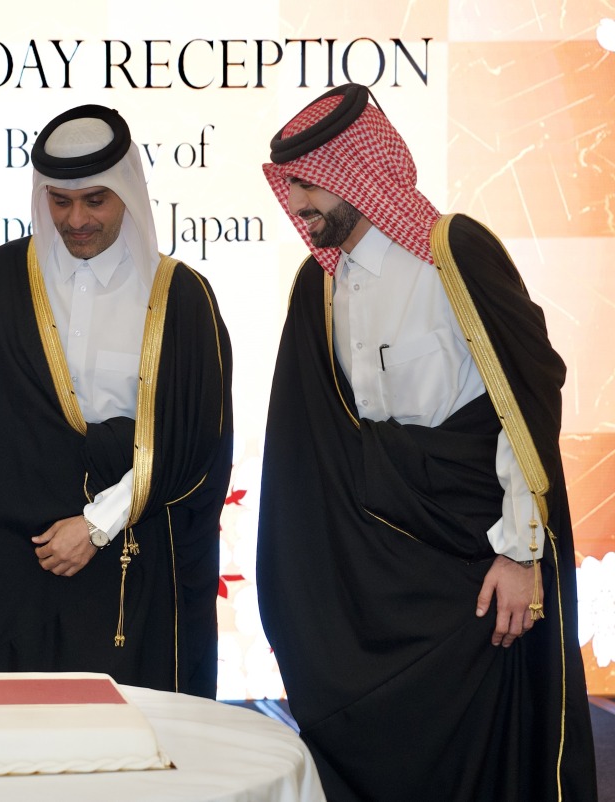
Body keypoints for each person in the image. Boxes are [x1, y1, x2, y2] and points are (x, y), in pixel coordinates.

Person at [256, 84, 597, 801]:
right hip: (379, 569)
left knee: (472, 755)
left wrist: (519, 552)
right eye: (293, 187)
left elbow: (520, 405)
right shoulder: (322, 286)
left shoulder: (452, 255)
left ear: (358, 172)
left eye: (310, 184)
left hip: (473, 565)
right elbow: (320, 442)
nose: (300, 204)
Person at [0, 104, 233, 699]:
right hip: (12, 560)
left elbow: (195, 441)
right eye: (60, 202)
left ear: (127, 195)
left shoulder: (178, 296)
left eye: (95, 200)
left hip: (126, 558)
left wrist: (96, 525)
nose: (76, 218)